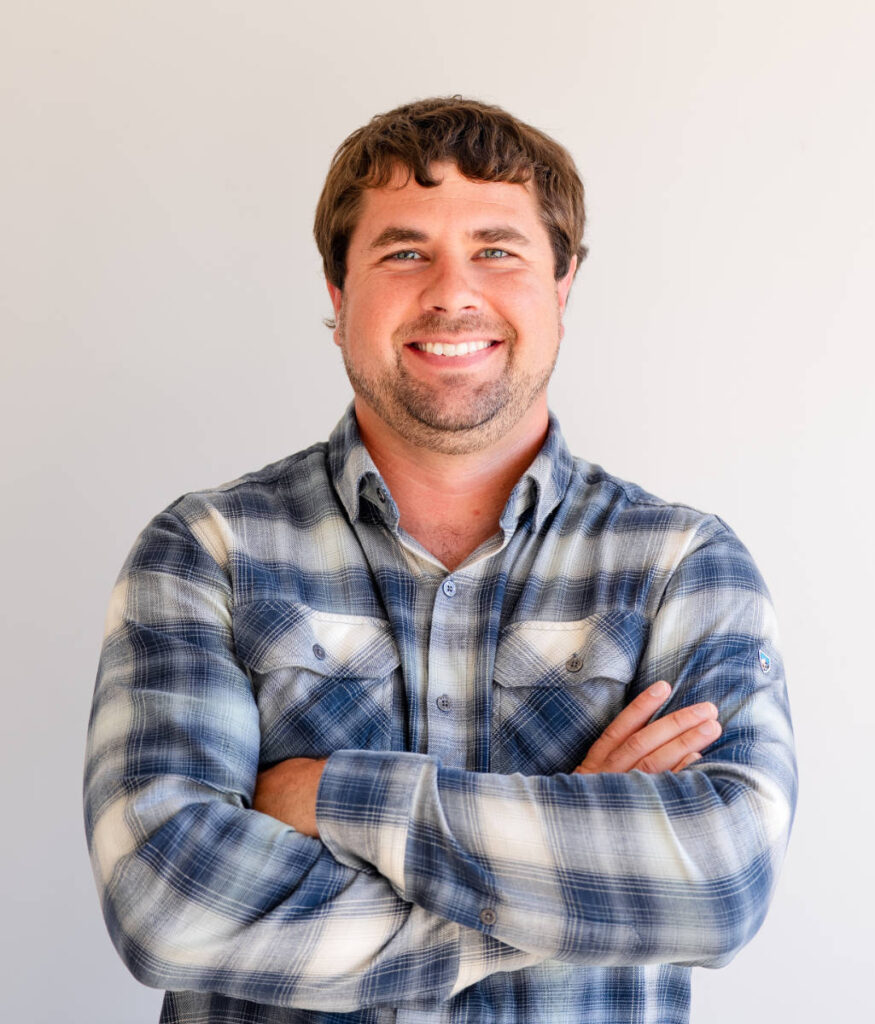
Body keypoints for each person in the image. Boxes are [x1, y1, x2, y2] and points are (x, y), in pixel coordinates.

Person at [84, 97, 796, 1024]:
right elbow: (167, 906)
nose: (453, 293)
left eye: (497, 249)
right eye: (404, 251)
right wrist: (580, 871)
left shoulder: (682, 567)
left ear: (562, 286)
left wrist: (331, 795)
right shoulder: (206, 552)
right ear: (338, 298)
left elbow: (718, 887)